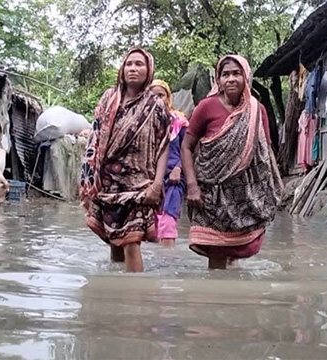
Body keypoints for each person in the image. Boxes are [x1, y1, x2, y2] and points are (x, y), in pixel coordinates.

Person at [180, 54, 284, 269]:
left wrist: (268, 192)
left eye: (236, 73)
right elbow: (186, 146)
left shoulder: (257, 111)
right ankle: (216, 297)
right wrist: (191, 185)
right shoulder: (206, 107)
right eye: (225, 74)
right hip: (212, 194)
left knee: (235, 254)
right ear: (219, 79)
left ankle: (234, 298)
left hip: (245, 196)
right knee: (216, 254)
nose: (231, 79)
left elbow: (264, 153)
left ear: (246, 76)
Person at [79, 47, 171, 272]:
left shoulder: (156, 106)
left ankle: (135, 298)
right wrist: (89, 182)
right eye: (129, 64)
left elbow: (163, 145)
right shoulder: (108, 99)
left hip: (139, 185)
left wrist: (158, 184)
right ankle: (116, 295)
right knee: (114, 241)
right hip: (107, 184)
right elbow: (95, 138)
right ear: (122, 68)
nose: (133, 69)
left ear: (148, 70)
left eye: (139, 64)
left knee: (131, 241)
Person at [149, 79, 189, 247]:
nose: (158, 99)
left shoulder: (179, 121)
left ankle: (167, 263)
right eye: (153, 96)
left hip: (174, 176)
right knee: (151, 222)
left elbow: (188, 149)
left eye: (161, 95)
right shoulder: (143, 122)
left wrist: (178, 168)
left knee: (168, 219)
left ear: (168, 97)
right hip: (149, 177)